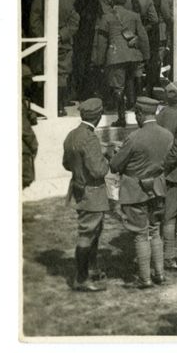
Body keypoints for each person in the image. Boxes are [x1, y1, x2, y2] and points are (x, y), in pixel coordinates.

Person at [109, 96, 177, 288]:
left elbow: (115, 165)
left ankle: (144, 278)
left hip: (135, 191)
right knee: (154, 231)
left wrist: (113, 154)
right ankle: (160, 274)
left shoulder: (134, 137)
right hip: (157, 188)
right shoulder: (167, 135)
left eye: (136, 114)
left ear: (140, 113)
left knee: (140, 234)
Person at [62, 98, 110, 292]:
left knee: (94, 231)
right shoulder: (90, 138)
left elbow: (66, 163)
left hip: (80, 188)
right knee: (87, 234)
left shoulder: (72, 135)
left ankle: (92, 268)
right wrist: (107, 158)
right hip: (93, 191)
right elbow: (99, 170)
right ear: (98, 116)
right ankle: (81, 279)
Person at [155, 83, 177, 273]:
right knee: (170, 216)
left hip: (158, 172)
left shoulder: (160, 115)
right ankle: (168, 257)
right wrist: (166, 165)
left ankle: (158, 252)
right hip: (174, 173)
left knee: (158, 213)